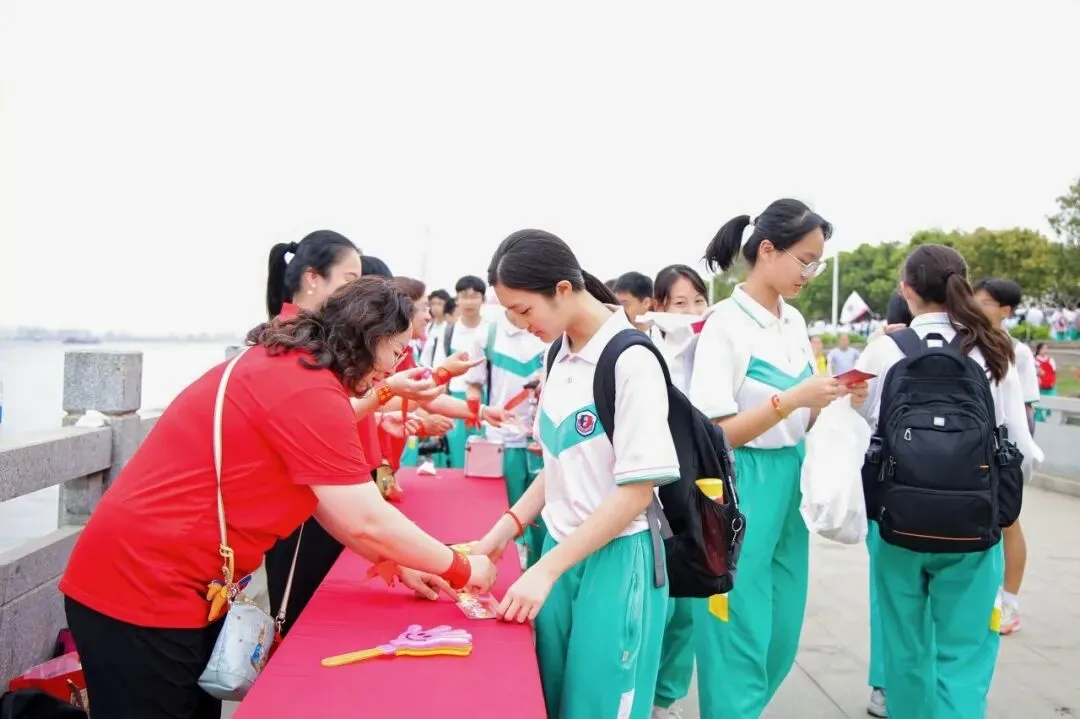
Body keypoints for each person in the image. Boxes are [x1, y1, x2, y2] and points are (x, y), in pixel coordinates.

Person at [59, 277, 498, 719]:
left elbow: (328, 502)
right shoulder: (306, 386)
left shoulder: (295, 366)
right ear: (370, 336)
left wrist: (400, 561)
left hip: (184, 584)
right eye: (397, 350)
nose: (396, 365)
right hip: (141, 585)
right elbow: (365, 519)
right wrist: (460, 567)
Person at [472, 229, 678, 719]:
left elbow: (635, 493)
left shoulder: (631, 360)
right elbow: (559, 465)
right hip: (561, 549)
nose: (521, 324)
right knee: (552, 696)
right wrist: (501, 534)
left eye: (524, 310)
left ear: (563, 289)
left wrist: (545, 570)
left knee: (598, 705)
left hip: (618, 559)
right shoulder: (556, 353)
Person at [688, 199, 862, 718]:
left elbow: (801, 416)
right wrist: (791, 400)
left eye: (817, 265)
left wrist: (831, 398)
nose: (809, 274)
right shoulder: (723, 325)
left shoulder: (793, 321)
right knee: (737, 627)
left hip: (791, 476)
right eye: (805, 261)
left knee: (781, 628)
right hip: (740, 480)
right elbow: (715, 433)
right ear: (767, 250)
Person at [854, 245, 1041, 718]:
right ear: (963, 285)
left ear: (906, 291)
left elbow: (859, 437)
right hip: (973, 526)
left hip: (897, 523)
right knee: (967, 649)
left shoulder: (884, 349)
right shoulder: (993, 348)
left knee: (904, 644)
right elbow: (1020, 450)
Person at [646, 264, 709, 718]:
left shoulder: (712, 347)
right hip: (652, 488)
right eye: (680, 303)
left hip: (699, 486)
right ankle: (641, 686)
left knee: (689, 599)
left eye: (698, 301)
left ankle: (665, 697)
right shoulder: (642, 351)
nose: (691, 311)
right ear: (659, 306)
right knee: (656, 599)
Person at [974, 278, 1042, 636]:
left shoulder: (1017, 351)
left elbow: (1024, 407)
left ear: (1006, 310)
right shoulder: (969, 341)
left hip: (1006, 445)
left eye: (986, 302)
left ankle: (1009, 601)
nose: (977, 305)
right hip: (974, 447)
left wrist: (1019, 460)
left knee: (1008, 522)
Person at [1033, 342, 1057, 422]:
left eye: (1046, 348)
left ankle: (1049, 419)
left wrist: (1052, 381)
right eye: (1043, 349)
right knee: (1039, 405)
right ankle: (1039, 420)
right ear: (1038, 350)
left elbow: (1054, 372)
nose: (1045, 350)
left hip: (1050, 386)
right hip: (1039, 387)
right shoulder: (1034, 360)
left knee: (1051, 404)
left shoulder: (1050, 360)